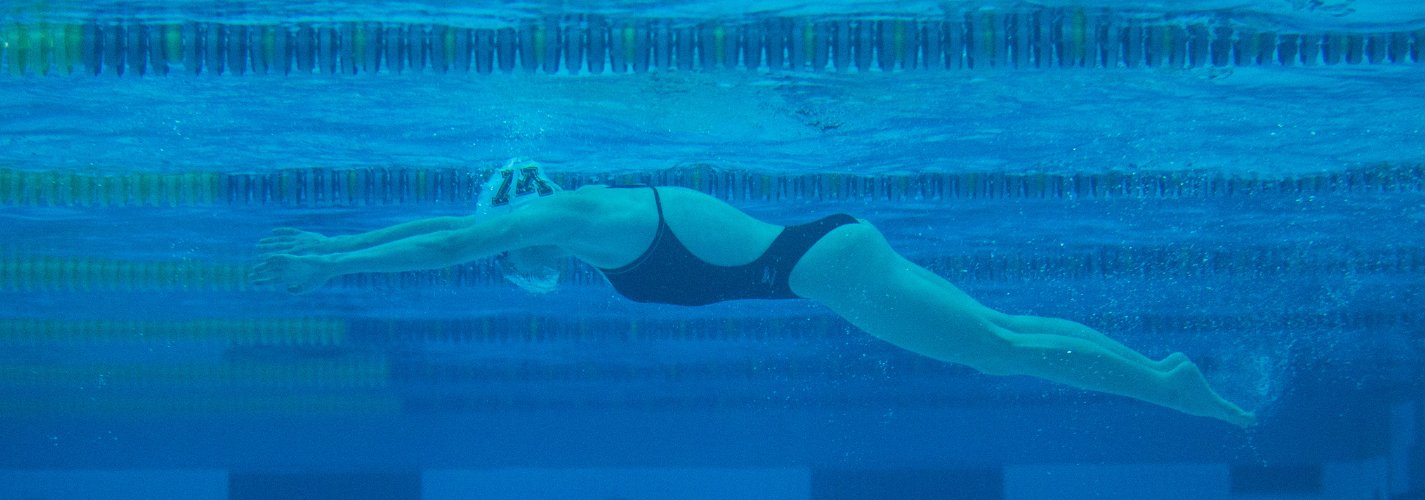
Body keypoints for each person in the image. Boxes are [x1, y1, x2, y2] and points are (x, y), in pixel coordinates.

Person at [253, 160, 1256, 427]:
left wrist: (331, 258)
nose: (506, 259)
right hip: (825, 267)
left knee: (1006, 344)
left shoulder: (581, 212)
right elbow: (454, 235)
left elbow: (451, 243)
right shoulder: (592, 231)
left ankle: (1169, 386)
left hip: (823, 268)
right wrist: (340, 249)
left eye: (508, 241)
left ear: (525, 211)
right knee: (1008, 334)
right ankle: (1163, 375)